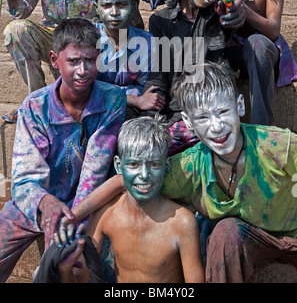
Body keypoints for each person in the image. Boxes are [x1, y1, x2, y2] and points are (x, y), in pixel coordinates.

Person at [64, 62, 297, 283]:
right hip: (252, 240)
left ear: (239, 106)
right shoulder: (190, 165)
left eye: (223, 112)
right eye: (203, 118)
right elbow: (125, 181)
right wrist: (72, 217)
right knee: (225, 231)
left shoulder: (278, 145)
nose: (216, 127)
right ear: (188, 121)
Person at [0, 18, 126, 283]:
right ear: (55, 60)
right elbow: (24, 178)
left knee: (92, 264)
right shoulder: (35, 106)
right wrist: (45, 203)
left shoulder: (113, 99)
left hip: (87, 203)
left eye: (90, 60)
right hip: (36, 201)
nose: (83, 70)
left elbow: (94, 171)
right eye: (74, 61)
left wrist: (69, 218)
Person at [42, 117, 205, 283]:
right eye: (134, 164)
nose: (144, 175)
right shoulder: (106, 214)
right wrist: (65, 268)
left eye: (154, 164)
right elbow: (85, 278)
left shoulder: (182, 222)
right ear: (119, 166)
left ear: (167, 166)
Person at [142, 0, 245, 154]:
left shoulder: (218, 17)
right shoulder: (161, 21)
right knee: (147, 148)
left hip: (210, 113)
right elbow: (159, 73)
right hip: (177, 113)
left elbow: (220, 68)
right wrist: (149, 118)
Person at [92, 0, 165, 118]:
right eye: (106, 6)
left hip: (127, 113)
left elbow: (146, 91)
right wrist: (134, 100)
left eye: (121, 5)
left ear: (133, 6)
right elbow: (83, 87)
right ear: (96, 9)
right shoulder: (87, 38)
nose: (114, 12)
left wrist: (137, 100)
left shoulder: (147, 42)